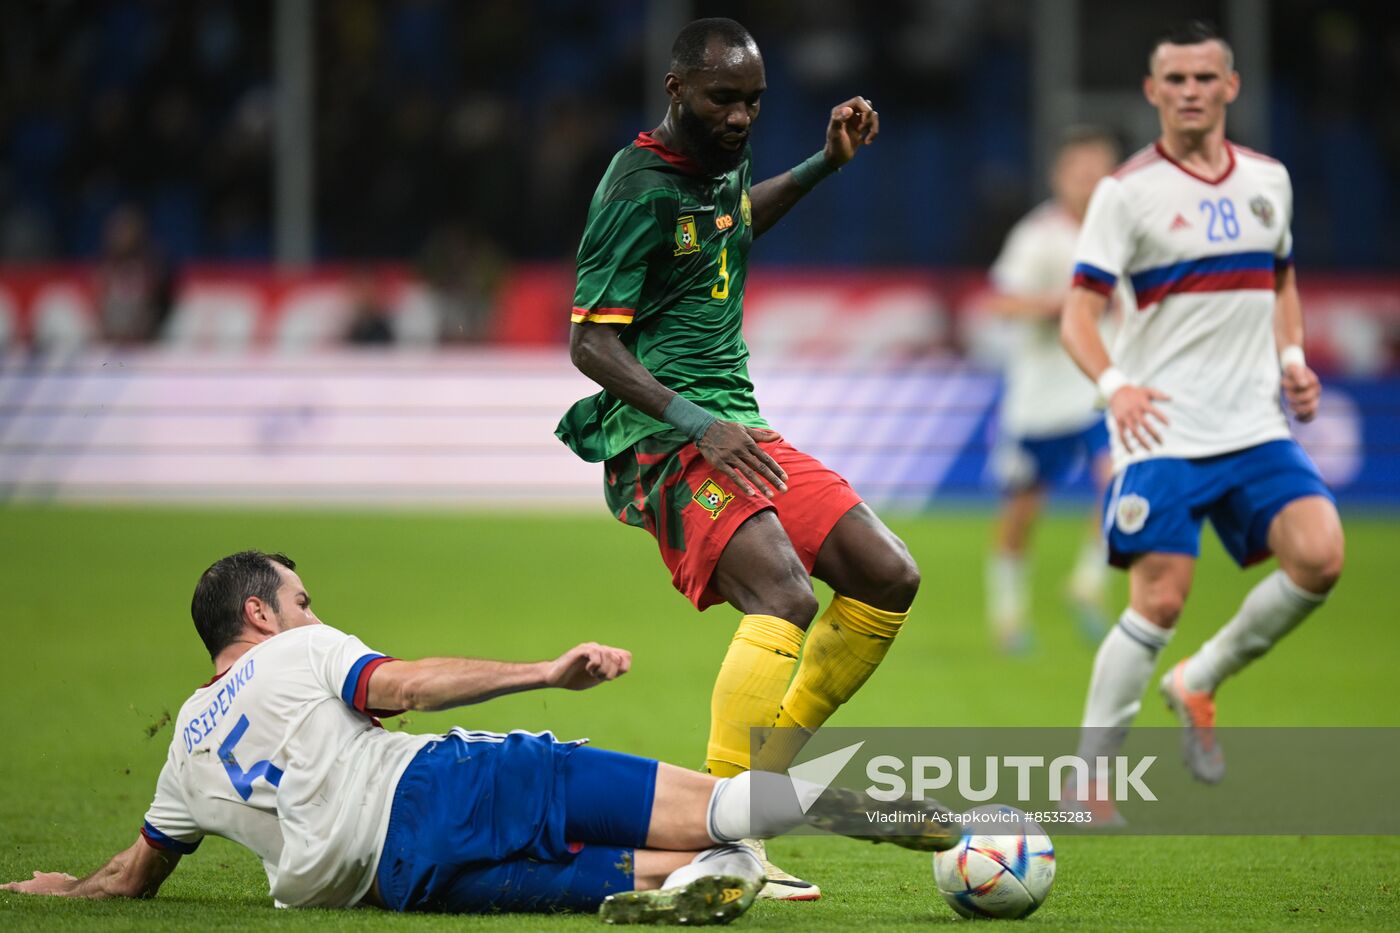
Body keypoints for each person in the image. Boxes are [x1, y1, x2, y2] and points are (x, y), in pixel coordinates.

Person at [0, 551, 956, 921]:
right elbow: (400, 687)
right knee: (708, 808)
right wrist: (545, 671)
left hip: (390, 884)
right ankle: (860, 810)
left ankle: (711, 878)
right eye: (300, 597)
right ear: (258, 612)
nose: (311, 608)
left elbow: (134, 875)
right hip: (444, 786)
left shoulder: (180, 760)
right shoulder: (296, 652)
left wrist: (62, 890)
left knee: (632, 872)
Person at [555, 17, 915, 899]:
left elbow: (732, 223)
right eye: (724, 100)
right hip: (662, 438)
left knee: (886, 574)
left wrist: (825, 162)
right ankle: (725, 839)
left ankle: (757, 794)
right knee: (785, 595)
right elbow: (589, 345)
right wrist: (693, 420)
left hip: (738, 425)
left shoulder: (722, 160)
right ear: (677, 90)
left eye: (754, 102)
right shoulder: (636, 187)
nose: (742, 118)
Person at [1059, 21, 1344, 805]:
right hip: (1163, 429)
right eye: (1175, 80)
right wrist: (1116, 383)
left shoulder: (1269, 181)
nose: (1190, 92)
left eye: (1204, 78)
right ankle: (1090, 775)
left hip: (1255, 423)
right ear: (1152, 92)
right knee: (1159, 600)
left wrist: (1292, 360)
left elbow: (1281, 281)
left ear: (1231, 87)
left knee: (1321, 555)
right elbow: (1076, 316)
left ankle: (1200, 677)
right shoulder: (1126, 193)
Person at [984, 126, 1121, 654]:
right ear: (1059, 176)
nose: (1089, 183)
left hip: (1097, 388)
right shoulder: (1037, 235)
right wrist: (1061, 305)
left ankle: (1088, 583)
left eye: (1099, 172)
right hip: (1040, 398)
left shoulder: (1122, 237)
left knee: (1122, 476)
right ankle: (1008, 614)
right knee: (1023, 511)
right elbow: (1000, 303)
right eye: (1080, 172)